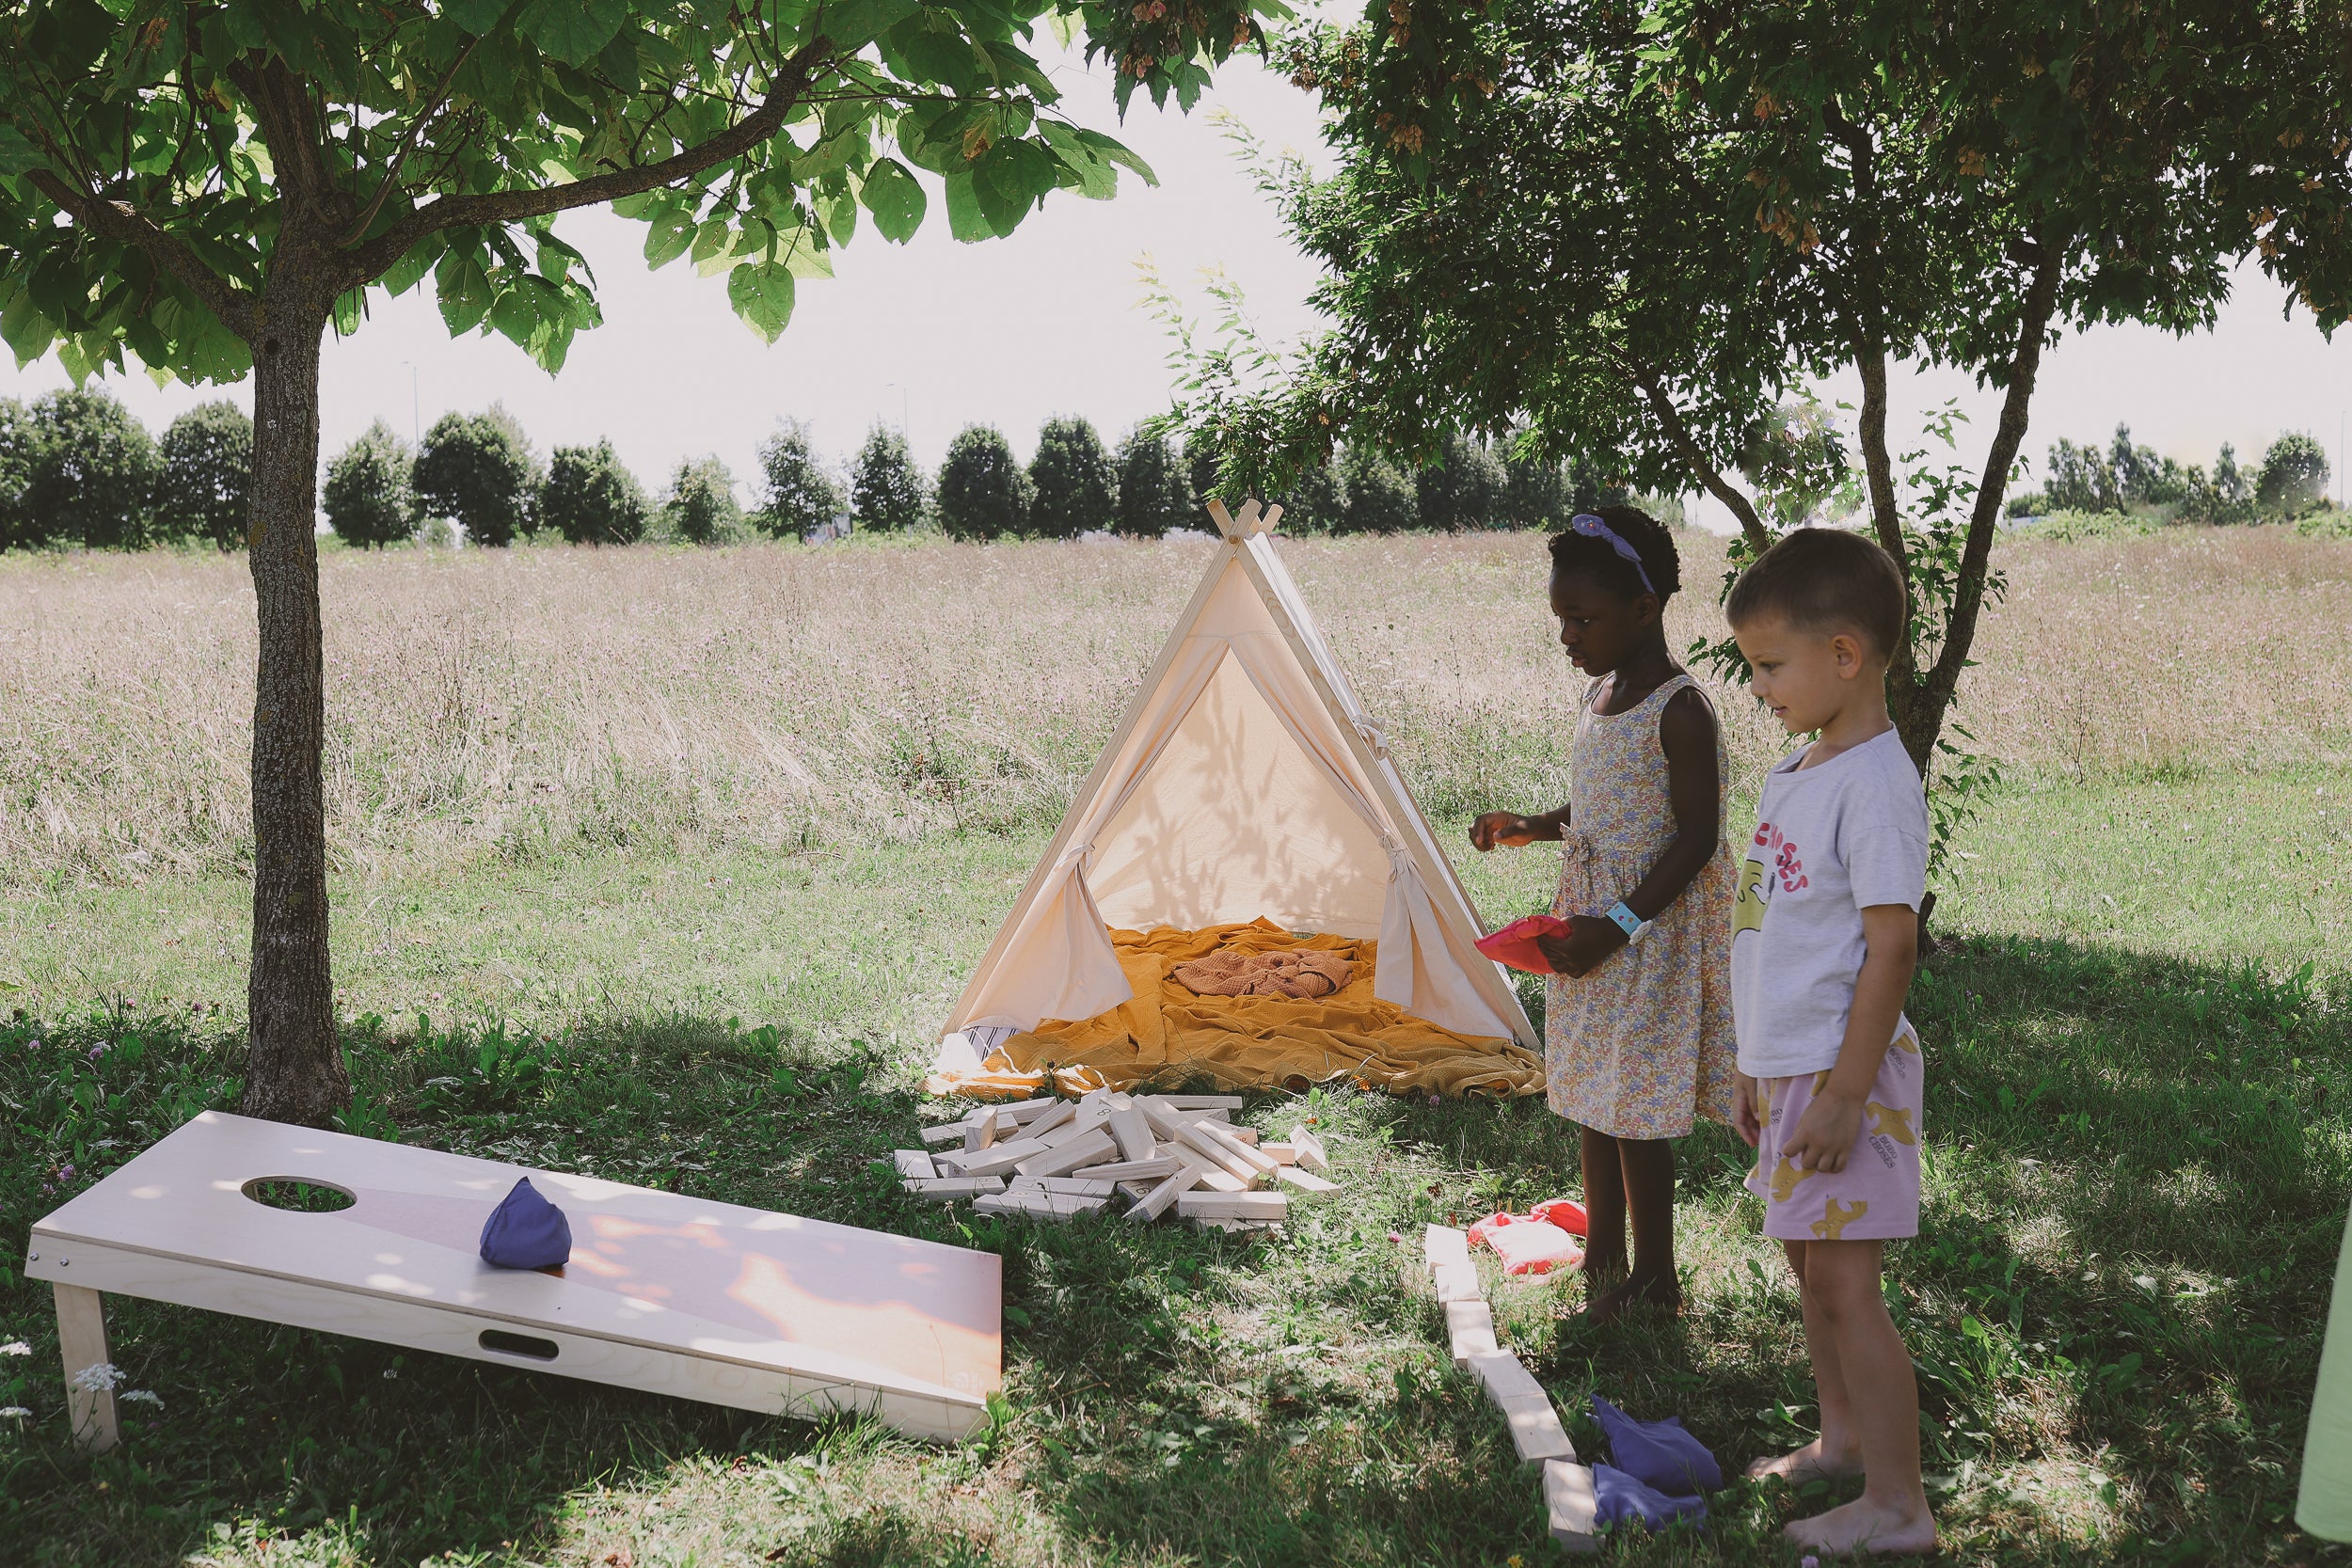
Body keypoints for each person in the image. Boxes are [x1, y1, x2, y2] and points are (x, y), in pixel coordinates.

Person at [1725, 527, 1938, 1555]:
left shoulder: (1876, 784)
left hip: (1844, 1071)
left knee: (1848, 1284)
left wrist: (1848, 1091)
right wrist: (1750, 1065)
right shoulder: (1795, 772)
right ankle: (1842, 1440)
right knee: (1813, 1269)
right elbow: (1770, 934)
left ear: (1843, 654)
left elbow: (1891, 948)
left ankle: (1899, 1506)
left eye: (1770, 665)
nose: (1758, 685)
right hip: (1792, 1066)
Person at [1470, 507, 1736, 1323]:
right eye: (1561, 619)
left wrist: (1617, 925)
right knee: (1589, 1089)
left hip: (1644, 931)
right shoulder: (1601, 694)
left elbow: (1697, 842)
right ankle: (1606, 1255)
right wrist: (1532, 825)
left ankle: (1655, 1277)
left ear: (1645, 609)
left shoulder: (1679, 710)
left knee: (1635, 1108)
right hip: (1586, 923)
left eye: (1582, 619)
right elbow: (1596, 807)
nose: (1568, 637)